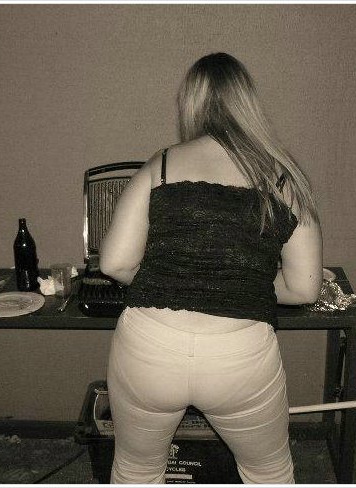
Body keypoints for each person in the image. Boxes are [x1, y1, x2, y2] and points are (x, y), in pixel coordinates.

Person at [99, 52, 323, 484]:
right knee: (269, 473)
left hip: (150, 347)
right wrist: (239, 283)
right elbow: (304, 288)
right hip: (239, 358)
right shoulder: (284, 178)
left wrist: (178, 280)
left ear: (190, 104)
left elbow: (114, 263)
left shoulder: (162, 164)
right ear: (248, 102)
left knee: (136, 471)